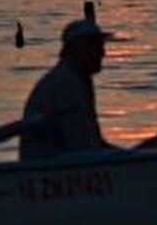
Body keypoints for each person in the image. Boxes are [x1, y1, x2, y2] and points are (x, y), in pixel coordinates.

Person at [20, 19, 119, 161]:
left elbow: (93, 143)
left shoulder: (78, 80)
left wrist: (128, 155)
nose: (102, 53)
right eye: (94, 46)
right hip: (51, 168)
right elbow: (82, 146)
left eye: (101, 45)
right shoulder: (65, 84)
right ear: (75, 49)